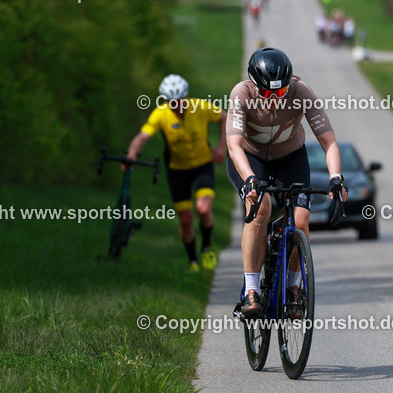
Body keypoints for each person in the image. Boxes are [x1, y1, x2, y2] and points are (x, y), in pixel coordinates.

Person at [226, 47, 348, 318]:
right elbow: (234, 145)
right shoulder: (241, 93)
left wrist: (336, 178)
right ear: (254, 85)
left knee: (302, 219)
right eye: (267, 93)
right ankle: (251, 292)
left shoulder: (300, 91)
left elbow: (328, 140)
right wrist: (249, 181)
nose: (274, 99)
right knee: (261, 209)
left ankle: (294, 288)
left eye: (280, 92)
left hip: (290, 157)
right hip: (250, 158)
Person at [126, 74, 226, 272]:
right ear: (165, 101)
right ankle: (193, 261)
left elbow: (224, 117)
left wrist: (222, 146)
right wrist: (131, 154)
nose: (177, 106)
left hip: (202, 166)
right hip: (177, 171)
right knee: (186, 219)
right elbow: (142, 137)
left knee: (204, 208)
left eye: (180, 101)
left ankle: (206, 246)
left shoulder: (200, 106)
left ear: (186, 96)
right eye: (172, 103)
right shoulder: (160, 114)